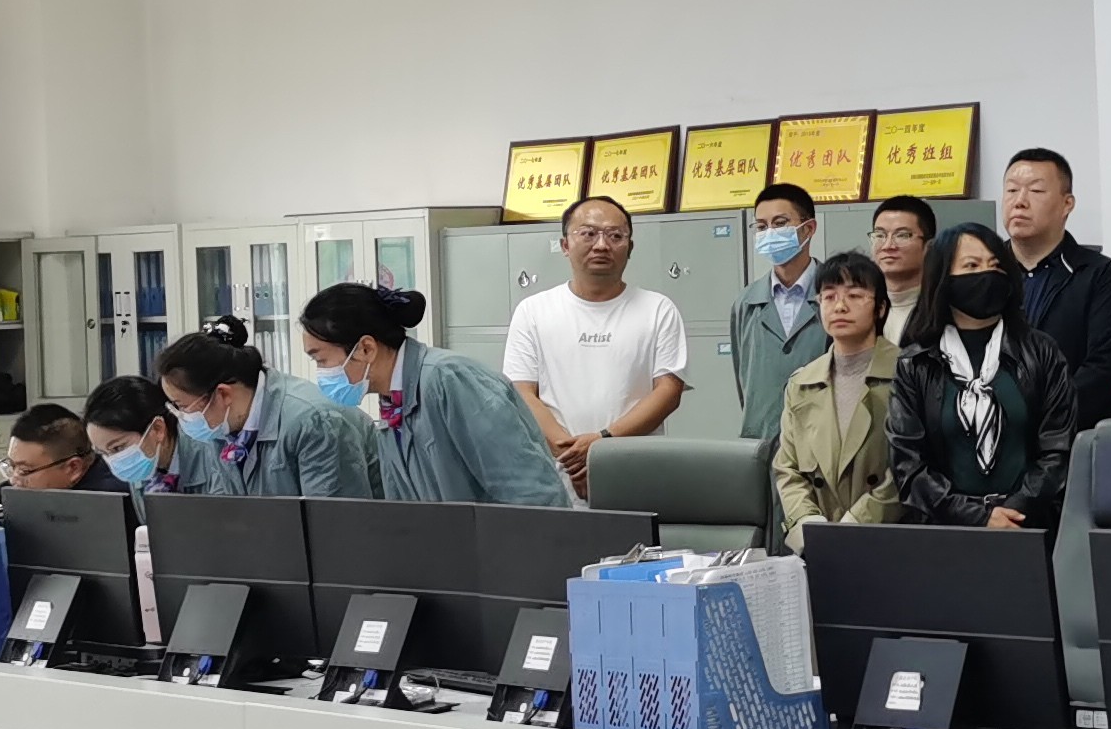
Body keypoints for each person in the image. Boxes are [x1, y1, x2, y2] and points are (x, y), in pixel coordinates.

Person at [297, 282, 572, 507]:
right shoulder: (392, 402)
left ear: (366, 348)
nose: (322, 372)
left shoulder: (451, 380)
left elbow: (530, 493)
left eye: (321, 360)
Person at [890, 225, 1077, 530]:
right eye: (971, 266)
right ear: (943, 279)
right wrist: (978, 517)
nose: (987, 274)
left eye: (995, 265)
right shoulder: (915, 362)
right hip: (946, 531)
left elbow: (1059, 448)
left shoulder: (1041, 351)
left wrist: (1014, 511)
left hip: (1028, 526)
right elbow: (907, 464)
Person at [505, 194, 686, 495]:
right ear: (565, 245)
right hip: (556, 475)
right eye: (588, 233)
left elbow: (668, 393)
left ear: (630, 247)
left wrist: (603, 445)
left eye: (615, 236)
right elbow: (522, 392)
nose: (601, 245)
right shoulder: (533, 310)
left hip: (635, 470)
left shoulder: (658, 309)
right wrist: (572, 460)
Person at [155, 316, 378, 499]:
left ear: (223, 394)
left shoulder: (314, 422)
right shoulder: (220, 429)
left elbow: (334, 523)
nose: (182, 418)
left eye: (182, 406)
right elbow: (227, 513)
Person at [997, 146, 1111, 428]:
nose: (1019, 201)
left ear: (1067, 204)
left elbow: (1104, 371)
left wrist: (1032, 418)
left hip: (1070, 441)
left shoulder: (1099, 275)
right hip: (985, 440)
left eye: (1036, 191)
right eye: (1011, 190)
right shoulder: (982, 271)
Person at [774, 251, 900, 540]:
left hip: (888, 539)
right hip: (819, 543)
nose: (840, 306)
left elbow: (910, 467)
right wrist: (808, 524)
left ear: (880, 308)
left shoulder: (907, 375)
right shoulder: (802, 383)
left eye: (854, 296)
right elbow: (788, 468)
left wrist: (855, 524)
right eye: (829, 297)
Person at [727, 183, 830, 439]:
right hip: (761, 442)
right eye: (761, 227)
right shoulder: (746, 303)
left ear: (809, 228)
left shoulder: (837, 296)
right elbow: (744, 382)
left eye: (780, 223)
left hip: (822, 442)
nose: (769, 233)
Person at [80, 375, 192, 495]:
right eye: (102, 452)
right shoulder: (143, 473)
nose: (113, 461)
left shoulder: (204, 459)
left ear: (157, 429)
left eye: (117, 448)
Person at [1, 404, 124, 497]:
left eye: (24, 470)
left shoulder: (111, 501)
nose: (12, 480)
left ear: (73, 467)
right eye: (11, 466)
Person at [868, 195, 936, 342]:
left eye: (902, 235)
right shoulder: (859, 309)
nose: (888, 246)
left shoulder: (941, 311)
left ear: (929, 246)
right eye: (880, 235)